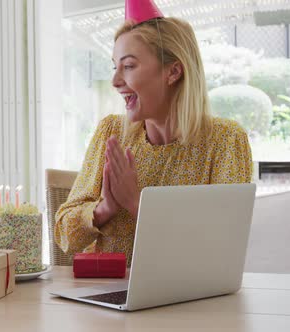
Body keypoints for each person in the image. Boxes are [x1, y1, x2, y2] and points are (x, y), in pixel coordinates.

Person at [54, 0, 253, 265]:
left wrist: (136, 203)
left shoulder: (225, 141)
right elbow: (64, 234)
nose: (114, 81)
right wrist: (104, 209)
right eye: (115, 66)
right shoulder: (111, 131)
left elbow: (223, 247)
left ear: (173, 71)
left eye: (129, 66)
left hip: (187, 299)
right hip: (106, 295)